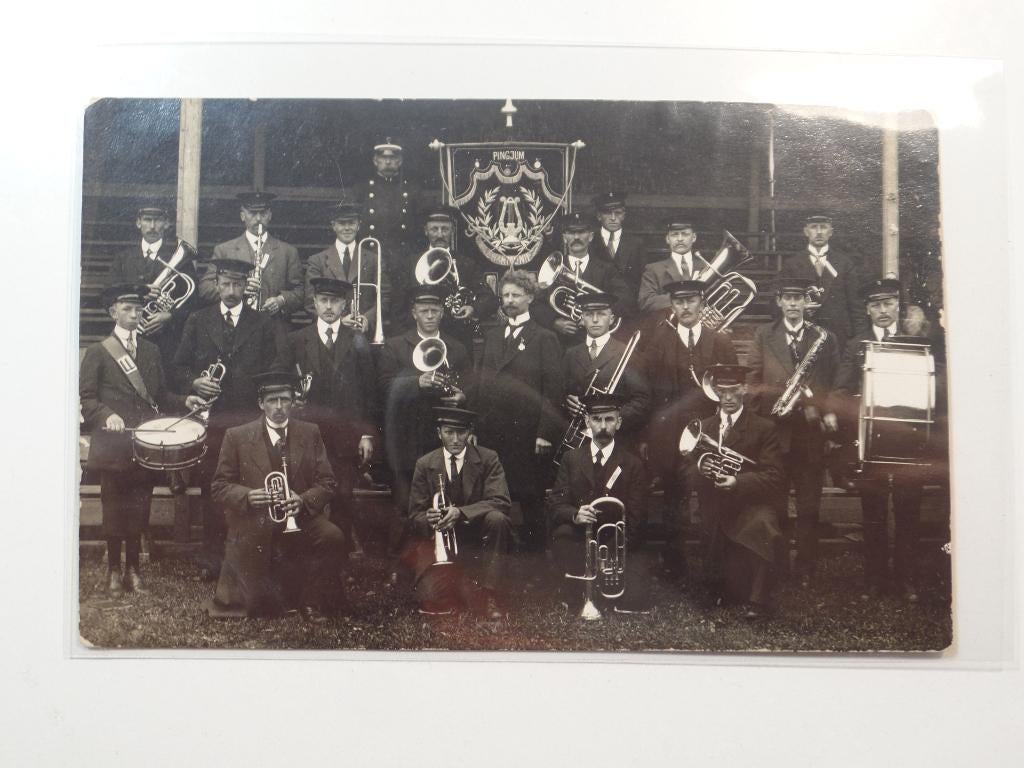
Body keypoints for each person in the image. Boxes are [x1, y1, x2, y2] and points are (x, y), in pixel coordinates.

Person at [80, 283, 206, 595]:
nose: (134, 314)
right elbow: (87, 398)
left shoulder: (151, 350)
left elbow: (159, 395)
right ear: (114, 312)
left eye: (137, 309)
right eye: (127, 309)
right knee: (113, 508)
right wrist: (105, 415)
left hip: (145, 443)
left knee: (139, 507)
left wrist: (185, 400)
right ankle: (113, 571)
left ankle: (134, 570)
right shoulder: (98, 351)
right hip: (112, 444)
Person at [174, 257, 281, 580]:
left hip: (249, 419)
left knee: (251, 486)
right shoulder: (197, 318)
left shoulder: (263, 323)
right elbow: (178, 367)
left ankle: (249, 557)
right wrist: (195, 382)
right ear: (217, 285)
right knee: (213, 488)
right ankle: (212, 560)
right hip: (213, 421)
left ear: (247, 288)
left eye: (238, 285)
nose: (231, 291)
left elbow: (274, 369)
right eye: (226, 284)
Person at [208, 371, 344, 621]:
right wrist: (248, 496)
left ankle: (311, 602)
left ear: (292, 402)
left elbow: (328, 482)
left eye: (284, 400)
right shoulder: (236, 436)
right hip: (257, 519)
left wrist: (303, 499)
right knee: (261, 606)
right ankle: (272, 598)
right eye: (272, 401)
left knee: (332, 536)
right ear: (261, 404)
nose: (279, 407)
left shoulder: (310, 432)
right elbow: (219, 486)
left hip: (300, 515)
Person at [831, 278, 934, 602]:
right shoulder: (855, 344)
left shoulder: (915, 342)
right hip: (872, 442)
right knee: (873, 512)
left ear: (897, 307)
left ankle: (906, 579)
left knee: (908, 511)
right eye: (876, 305)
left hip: (907, 440)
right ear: (867, 309)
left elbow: (932, 383)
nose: (883, 311)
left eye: (888, 304)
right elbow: (839, 388)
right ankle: (874, 579)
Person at [638, 280, 738, 582]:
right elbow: (648, 392)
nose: (685, 307)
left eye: (691, 300)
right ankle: (674, 566)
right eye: (679, 301)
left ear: (702, 303)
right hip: (669, 435)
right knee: (673, 498)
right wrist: (647, 435)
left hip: (709, 432)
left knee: (711, 496)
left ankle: (715, 568)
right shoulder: (658, 341)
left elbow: (731, 390)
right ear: (672, 305)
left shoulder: (719, 340)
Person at [746, 277, 841, 587]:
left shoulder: (824, 338)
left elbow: (832, 379)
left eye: (798, 298)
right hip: (775, 431)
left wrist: (820, 406)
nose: (792, 304)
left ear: (806, 303)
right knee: (774, 504)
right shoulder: (763, 334)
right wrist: (765, 412)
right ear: (779, 302)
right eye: (787, 298)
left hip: (809, 432)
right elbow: (753, 379)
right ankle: (778, 564)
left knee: (808, 505)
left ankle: (806, 569)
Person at [275, 277, 378, 556]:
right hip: (304, 433)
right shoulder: (296, 340)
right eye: (324, 300)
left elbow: (369, 393)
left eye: (335, 301)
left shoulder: (357, 341)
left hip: (345, 436)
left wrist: (366, 434)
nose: (329, 306)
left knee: (342, 496)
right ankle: (305, 555)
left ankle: (339, 559)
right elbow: (283, 386)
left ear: (345, 305)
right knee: (305, 493)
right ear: (314, 304)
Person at [475, 270, 565, 552]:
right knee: (496, 493)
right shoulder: (491, 335)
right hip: (494, 431)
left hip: (527, 433)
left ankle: (536, 562)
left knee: (530, 497)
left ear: (529, 297)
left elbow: (553, 390)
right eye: (505, 295)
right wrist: (476, 428)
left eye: (516, 295)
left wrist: (545, 433)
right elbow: (481, 384)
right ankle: (499, 555)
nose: (509, 301)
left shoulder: (544, 337)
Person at [686, 364, 785, 619]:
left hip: (751, 505)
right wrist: (701, 468)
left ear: (744, 390)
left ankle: (758, 599)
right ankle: (723, 586)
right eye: (722, 392)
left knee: (764, 526)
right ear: (715, 393)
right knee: (722, 582)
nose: (728, 398)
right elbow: (686, 473)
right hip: (716, 506)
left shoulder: (764, 428)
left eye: (733, 391)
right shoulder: (704, 427)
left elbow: (774, 477)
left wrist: (738, 482)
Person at [547, 393, 651, 615]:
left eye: (609, 419)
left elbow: (636, 518)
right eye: (597, 419)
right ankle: (579, 589)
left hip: (616, 540)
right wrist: (575, 514)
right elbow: (557, 504)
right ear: (587, 422)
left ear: (619, 422)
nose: (603, 426)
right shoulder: (571, 458)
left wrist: (612, 550)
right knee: (563, 533)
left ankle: (598, 584)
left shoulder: (633, 464)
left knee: (634, 598)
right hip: (579, 536)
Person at [404, 407, 512, 618]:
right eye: (448, 432)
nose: (455, 439)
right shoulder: (425, 464)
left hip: (478, 542)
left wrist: (461, 513)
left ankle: (489, 593)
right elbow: (414, 516)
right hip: (440, 548)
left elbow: (501, 501)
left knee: (498, 519)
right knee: (432, 600)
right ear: (439, 433)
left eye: (460, 432)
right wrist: (428, 517)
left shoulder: (489, 458)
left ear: (469, 431)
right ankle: (462, 586)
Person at [378, 286, 470, 526]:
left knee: (445, 496)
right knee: (407, 502)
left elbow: (470, 388)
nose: (429, 315)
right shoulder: (396, 345)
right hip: (408, 436)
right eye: (424, 310)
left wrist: (461, 397)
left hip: (444, 437)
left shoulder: (457, 348)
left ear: (442, 313)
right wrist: (417, 382)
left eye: (434, 310)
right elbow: (384, 387)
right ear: (414, 313)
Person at [106, 204, 199, 368]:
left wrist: (170, 316)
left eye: (158, 220)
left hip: (167, 341)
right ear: (138, 223)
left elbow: (194, 300)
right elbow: (108, 295)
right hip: (129, 337)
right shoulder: (123, 257)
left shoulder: (179, 259)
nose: (152, 226)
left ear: (166, 224)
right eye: (147, 220)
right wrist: (140, 292)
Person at [403, 207, 498, 357]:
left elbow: (489, 298)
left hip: (457, 335)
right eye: (434, 229)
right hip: (419, 335)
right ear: (426, 231)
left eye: (445, 229)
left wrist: (473, 308)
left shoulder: (467, 263)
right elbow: (400, 302)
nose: (440, 234)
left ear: (452, 231)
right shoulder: (411, 263)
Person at [561, 292, 650, 452]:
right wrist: (567, 402)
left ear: (612, 319)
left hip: (614, 441)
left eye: (601, 314)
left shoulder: (627, 353)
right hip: (576, 444)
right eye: (589, 314)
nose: (595, 320)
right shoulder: (570, 353)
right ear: (582, 318)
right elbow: (559, 393)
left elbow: (641, 401)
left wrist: (608, 417)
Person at [201, 192, 304, 328]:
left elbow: (300, 292)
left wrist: (281, 300)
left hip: (273, 327)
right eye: (252, 213)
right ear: (242, 216)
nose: (258, 219)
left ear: (270, 215)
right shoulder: (224, 250)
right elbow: (205, 288)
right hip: (235, 326)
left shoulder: (288, 251)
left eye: (263, 213)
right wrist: (236, 290)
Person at [533, 210, 632, 348]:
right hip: (559, 343)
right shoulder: (552, 268)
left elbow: (625, 299)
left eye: (581, 232)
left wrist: (593, 315)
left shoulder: (607, 269)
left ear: (591, 237)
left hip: (595, 341)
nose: (576, 237)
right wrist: (555, 322)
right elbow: (535, 305)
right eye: (571, 233)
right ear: (564, 237)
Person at [304, 201, 391, 340]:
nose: (347, 228)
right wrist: (339, 321)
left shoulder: (374, 259)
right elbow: (310, 301)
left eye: (351, 223)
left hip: (363, 333)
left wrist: (367, 318)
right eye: (342, 223)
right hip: (331, 334)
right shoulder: (317, 260)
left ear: (358, 225)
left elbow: (384, 298)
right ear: (333, 226)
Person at [779, 214, 868, 349]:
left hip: (839, 338)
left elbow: (857, 307)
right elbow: (779, 302)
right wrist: (801, 309)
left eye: (823, 227)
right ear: (806, 231)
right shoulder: (791, 264)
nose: (819, 232)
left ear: (830, 232)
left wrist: (858, 341)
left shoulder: (845, 264)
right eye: (814, 227)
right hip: (803, 335)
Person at [352, 138, 420, 277]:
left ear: (399, 161)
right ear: (375, 161)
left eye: (393, 157)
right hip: (370, 253)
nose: (388, 161)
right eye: (383, 157)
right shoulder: (361, 189)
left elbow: (418, 226)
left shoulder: (412, 190)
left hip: (402, 257)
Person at [592, 191, 649, 305]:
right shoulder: (591, 241)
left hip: (629, 307)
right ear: (599, 216)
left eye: (618, 213)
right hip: (597, 305)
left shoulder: (636, 243)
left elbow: (643, 279)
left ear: (624, 215)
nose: (613, 218)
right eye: (607, 213)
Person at [637, 220, 705, 315]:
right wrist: (680, 297)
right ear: (667, 239)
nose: (680, 239)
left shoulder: (706, 267)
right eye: (674, 235)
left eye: (685, 234)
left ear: (694, 237)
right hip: (667, 327)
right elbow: (646, 302)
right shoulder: (653, 269)